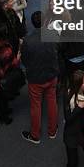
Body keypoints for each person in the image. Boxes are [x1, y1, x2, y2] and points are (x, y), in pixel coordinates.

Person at [21, 11, 59, 144]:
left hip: (35, 78)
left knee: (35, 106)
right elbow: (57, 52)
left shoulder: (27, 41)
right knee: (52, 101)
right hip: (51, 75)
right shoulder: (53, 35)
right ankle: (52, 131)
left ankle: (35, 135)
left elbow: (24, 60)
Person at [0, 33, 18, 125]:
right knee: (3, 99)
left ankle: (5, 112)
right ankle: (4, 117)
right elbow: (14, 63)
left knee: (2, 98)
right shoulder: (6, 51)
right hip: (4, 78)